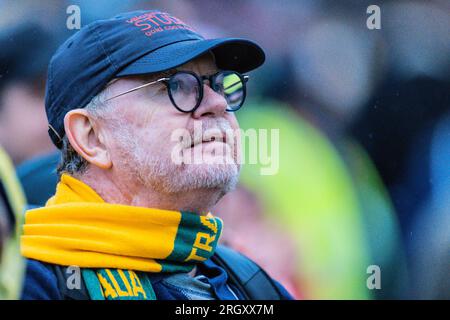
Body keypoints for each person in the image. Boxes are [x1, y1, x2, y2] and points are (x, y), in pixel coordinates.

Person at [20, 9, 293, 300]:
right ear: (92, 136)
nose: (216, 102)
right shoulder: (30, 280)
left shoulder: (252, 282)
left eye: (218, 84)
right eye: (176, 85)